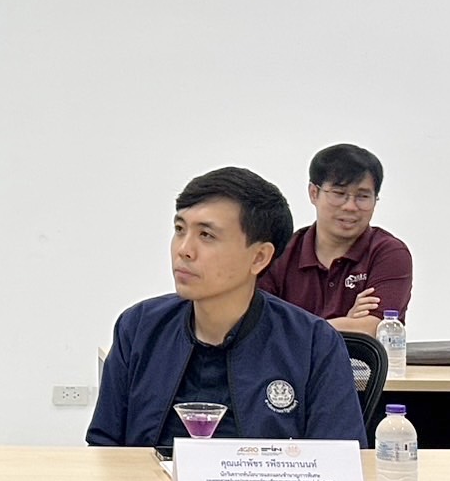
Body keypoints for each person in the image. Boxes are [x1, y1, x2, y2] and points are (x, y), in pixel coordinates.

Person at [87, 167, 365, 449]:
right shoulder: (140, 327)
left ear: (259, 257)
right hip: (147, 479)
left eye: (206, 235)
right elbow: (104, 447)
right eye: (180, 230)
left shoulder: (312, 343)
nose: (184, 250)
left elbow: (340, 458)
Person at [258, 143, 412, 335]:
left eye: (363, 196)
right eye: (339, 194)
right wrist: (346, 323)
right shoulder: (280, 252)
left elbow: (378, 327)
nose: (350, 206)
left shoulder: (389, 253)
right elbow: (261, 327)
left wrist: (297, 326)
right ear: (314, 193)